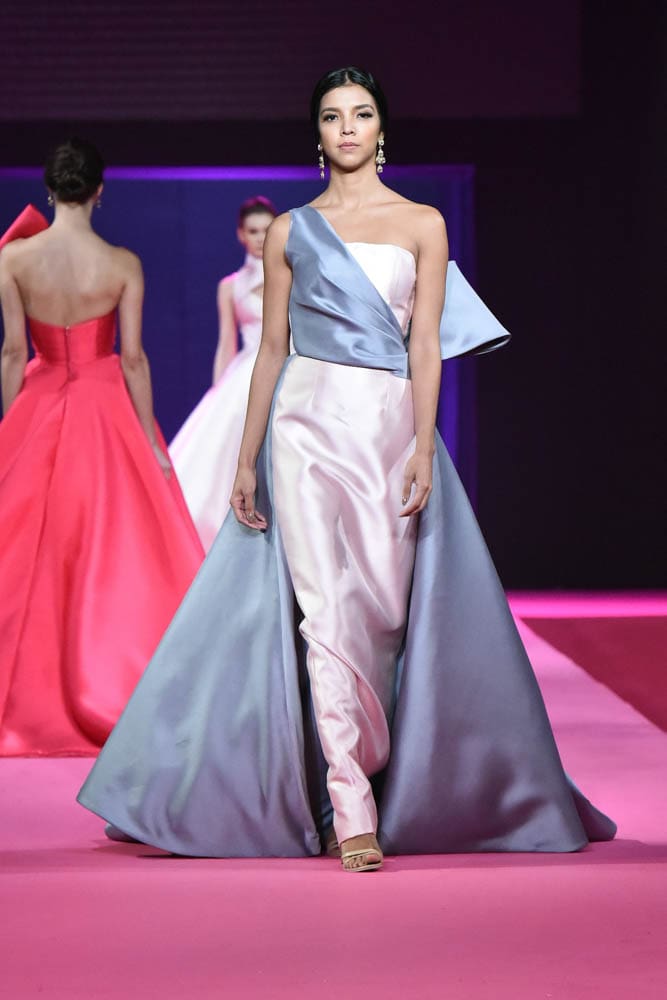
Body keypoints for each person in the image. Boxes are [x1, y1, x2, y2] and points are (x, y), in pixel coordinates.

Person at [78, 71, 615, 870]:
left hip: (387, 429)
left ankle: (382, 778)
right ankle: (348, 807)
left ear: (381, 129)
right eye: (333, 116)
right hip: (302, 427)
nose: (348, 127)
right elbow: (270, 351)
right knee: (324, 614)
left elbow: (426, 345)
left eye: (361, 114)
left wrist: (424, 444)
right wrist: (246, 457)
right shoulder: (291, 231)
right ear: (318, 135)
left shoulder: (423, 224)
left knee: (382, 616)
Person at [0, 138, 204, 756]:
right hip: (105, 409)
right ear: (99, 191)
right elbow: (133, 358)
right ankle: (108, 685)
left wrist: (13, 426)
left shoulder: (15, 259)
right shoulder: (121, 263)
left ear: (49, 190)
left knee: (29, 554)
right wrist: (148, 441)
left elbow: (13, 352)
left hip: (38, 403)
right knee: (109, 554)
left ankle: (28, 701)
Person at [169, 197, 277, 550]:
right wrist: (217, 392)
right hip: (243, 374)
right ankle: (228, 538)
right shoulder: (230, 285)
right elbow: (225, 341)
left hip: (283, 368)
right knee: (224, 452)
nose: (260, 238)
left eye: (267, 230)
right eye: (253, 231)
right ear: (241, 235)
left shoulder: (291, 276)